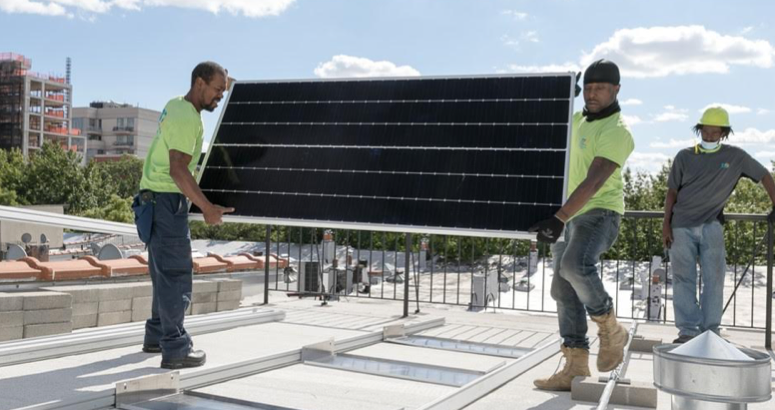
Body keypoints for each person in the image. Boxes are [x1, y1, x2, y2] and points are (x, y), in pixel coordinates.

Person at [528, 59, 635, 391]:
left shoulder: (617, 130)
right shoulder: (575, 121)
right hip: (568, 214)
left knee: (575, 265)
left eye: (599, 88)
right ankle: (575, 365)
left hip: (599, 212)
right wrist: (557, 97)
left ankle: (610, 327)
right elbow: (540, 131)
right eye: (587, 88)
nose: (592, 94)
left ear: (616, 90)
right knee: (561, 289)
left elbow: (594, 180)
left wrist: (559, 218)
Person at [136, 61, 234, 369]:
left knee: (162, 273)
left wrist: (234, 84)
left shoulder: (176, 105)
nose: (220, 97)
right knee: (176, 275)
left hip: (153, 202)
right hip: (166, 203)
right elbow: (178, 168)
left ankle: (156, 335)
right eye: (218, 90)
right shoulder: (186, 116)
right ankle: (176, 348)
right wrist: (206, 208)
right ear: (200, 83)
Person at [663, 107, 775, 344]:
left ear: (724, 133)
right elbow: (672, 192)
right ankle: (687, 332)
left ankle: (710, 332)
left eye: (716, 132)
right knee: (684, 279)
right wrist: (666, 225)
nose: (710, 136)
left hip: (711, 225)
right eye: (706, 131)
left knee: (714, 278)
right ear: (699, 129)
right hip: (680, 225)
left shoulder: (736, 157)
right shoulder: (684, 156)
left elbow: (765, 175)